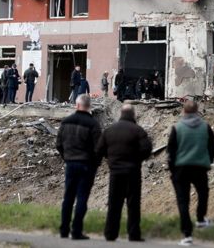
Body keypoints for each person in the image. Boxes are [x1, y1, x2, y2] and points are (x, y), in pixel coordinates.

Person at [95, 104, 152, 242]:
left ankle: (110, 233)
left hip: (115, 172)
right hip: (133, 172)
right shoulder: (138, 131)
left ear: (121, 114)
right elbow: (147, 149)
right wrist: (137, 159)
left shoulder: (109, 131)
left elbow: (99, 150)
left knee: (114, 203)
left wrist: (111, 158)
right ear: (133, 115)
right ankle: (133, 234)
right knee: (133, 203)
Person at [168, 101, 214, 247]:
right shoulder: (205, 127)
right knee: (203, 193)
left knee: (183, 201)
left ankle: (187, 235)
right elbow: (213, 147)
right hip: (200, 167)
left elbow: (171, 151)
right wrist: (208, 160)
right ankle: (200, 218)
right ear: (197, 111)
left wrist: (173, 170)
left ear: (184, 111)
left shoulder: (177, 128)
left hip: (181, 168)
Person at [56, 94, 102, 240]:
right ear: (89, 106)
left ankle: (64, 230)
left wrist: (67, 157)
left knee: (68, 197)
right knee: (82, 197)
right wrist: (95, 163)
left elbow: (58, 144)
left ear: (77, 105)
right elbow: (98, 148)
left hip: (70, 163)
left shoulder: (66, 121)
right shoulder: (93, 124)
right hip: (86, 165)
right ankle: (76, 231)